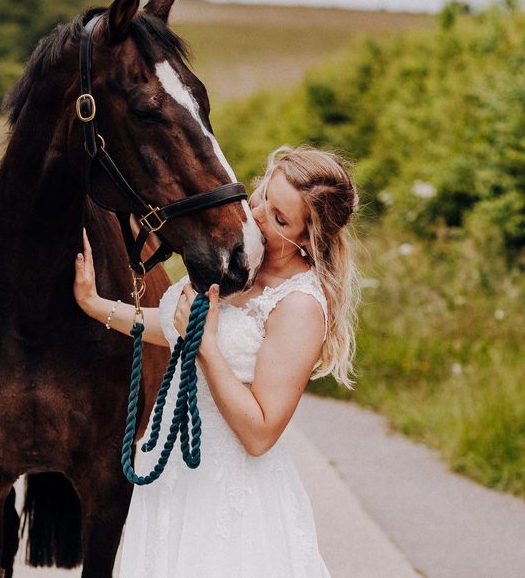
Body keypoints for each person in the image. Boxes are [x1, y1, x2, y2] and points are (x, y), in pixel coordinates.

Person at [74, 145, 359, 577]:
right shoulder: (238, 259)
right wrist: (97, 306)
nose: (259, 217)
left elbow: (260, 433)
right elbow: (174, 322)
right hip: (172, 476)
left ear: (308, 238)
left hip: (228, 492)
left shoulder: (299, 305)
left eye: (280, 219)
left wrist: (204, 348)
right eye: (262, 196)